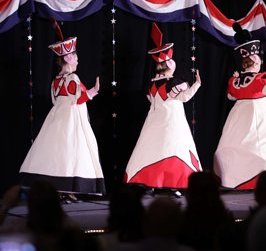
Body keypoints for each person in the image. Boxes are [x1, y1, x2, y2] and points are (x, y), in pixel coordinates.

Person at [19, 18, 105, 195]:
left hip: (57, 116)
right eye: (75, 56)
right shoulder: (72, 78)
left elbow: (55, 99)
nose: (78, 60)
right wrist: (94, 91)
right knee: (71, 149)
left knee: (57, 150)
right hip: (71, 118)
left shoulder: (56, 80)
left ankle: (60, 186)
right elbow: (78, 99)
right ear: (67, 57)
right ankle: (69, 187)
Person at [124, 22, 202, 190]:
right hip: (171, 121)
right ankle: (174, 183)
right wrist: (197, 84)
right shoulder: (173, 83)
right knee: (172, 146)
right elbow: (185, 98)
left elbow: (153, 99)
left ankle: (152, 182)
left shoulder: (153, 84)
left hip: (155, 120)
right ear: (169, 65)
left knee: (153, 147)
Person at [213, 22, 266, 189]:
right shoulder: (259, 79)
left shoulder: (236, 80)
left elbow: (231, 95)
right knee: (260, 147)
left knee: (237, 144)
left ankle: (235, 179)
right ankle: (261, 181)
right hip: (257, 113)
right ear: (256, 62)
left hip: (240, 113)